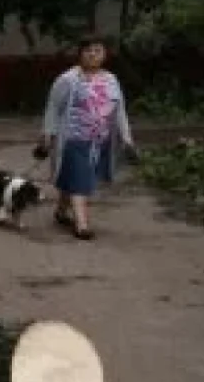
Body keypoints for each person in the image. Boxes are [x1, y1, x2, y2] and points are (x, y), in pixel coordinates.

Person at [36, 35, 138, 240]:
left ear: (105, 54)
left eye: (97, 50)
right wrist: (47, 137)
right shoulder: (68, 80)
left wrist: (127, 138)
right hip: (74, 139)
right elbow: (53, 109)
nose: (93, 54)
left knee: (73, 177)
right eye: (88, 50)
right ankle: (82, 224)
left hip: (99, 140)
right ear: (80, 54)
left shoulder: (111, 80)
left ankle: (62, 210)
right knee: (81, 180)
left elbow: (119, 111)